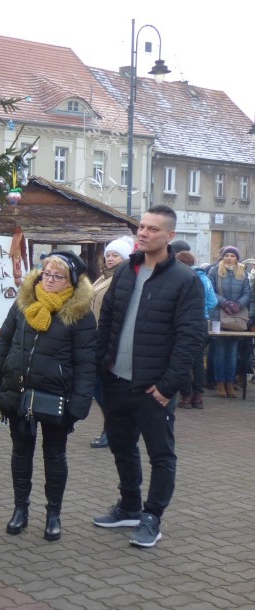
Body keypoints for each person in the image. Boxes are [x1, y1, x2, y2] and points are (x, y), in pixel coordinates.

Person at [93, 205, 204, 548]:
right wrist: (100, 365)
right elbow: (108, 321)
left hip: (152, 387)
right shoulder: (125, 271)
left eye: (152, 229)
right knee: (122, 447)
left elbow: (191, 338)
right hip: (116, 380)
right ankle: (129, 506)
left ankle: (152, 517)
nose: (142, 233)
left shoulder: (185, 281)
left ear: (169, 236)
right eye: (141, 227)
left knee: (161, 454)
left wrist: (168, 386)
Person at [0, 251, 96, 541]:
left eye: (57, 276)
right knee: (21, 453)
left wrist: (80, 403)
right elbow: (4, 342)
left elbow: (86, 362)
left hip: (57, 395)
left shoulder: (80, 313)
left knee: (55, 455)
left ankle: (53, 514)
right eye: (46, 273)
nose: (49, 280)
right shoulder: (24, 302)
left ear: (70, 281)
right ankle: (20, 509)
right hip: (19, 390)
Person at [88, 236, 133, 448]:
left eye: (116, 255)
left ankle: (112, 429)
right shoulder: (103, 277)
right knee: (99, 388)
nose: (110, 258)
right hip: (94, 338)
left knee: (104, 389)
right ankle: (114, 427)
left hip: (107, 341)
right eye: (108, 255)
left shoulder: (122, 280)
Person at [207, 246, 250, 398]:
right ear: (223, 257)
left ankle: (229, 383)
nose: (229, 258)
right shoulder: (214, 271)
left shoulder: (243, 273)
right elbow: (210, 291)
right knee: (219, 351)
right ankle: (219, 383)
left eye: (232, 255)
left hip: (237, 318)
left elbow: (247, 293)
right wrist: (225, 303)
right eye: (227, 255)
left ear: (237, 258)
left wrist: (238, 304)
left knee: (232, 352)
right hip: (218, 316)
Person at [175, 250, 216, 409]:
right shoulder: (205, 278)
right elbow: (212, 301)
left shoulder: (182, 277)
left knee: (182, 358)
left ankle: (186, 395)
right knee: (198, 359)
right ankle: (198, 397)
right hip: (202, 322)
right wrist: (204, 311)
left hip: (185, 321)